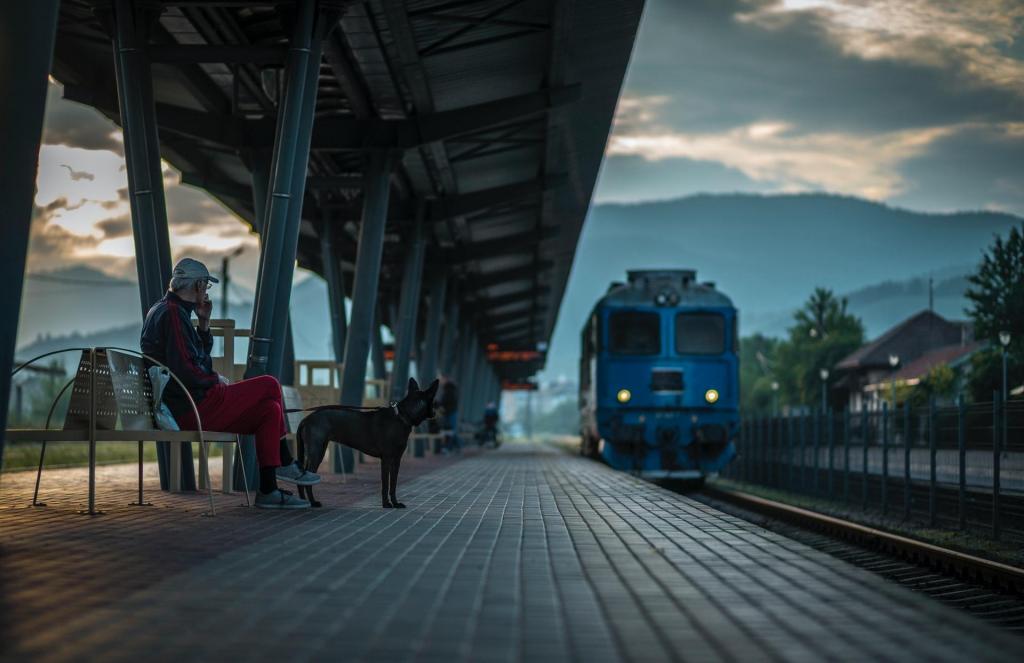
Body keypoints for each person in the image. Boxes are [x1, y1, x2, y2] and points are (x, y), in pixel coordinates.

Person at [140, 257, 319, 510]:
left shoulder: (168, 310)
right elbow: (188, 370)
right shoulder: (171, 314)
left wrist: (203, 323)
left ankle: (268, 490)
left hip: (191, 404)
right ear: (199, 285)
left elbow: (195, 358)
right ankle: (287, 462)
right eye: (206, 286)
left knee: (269, 411)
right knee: (268, 384)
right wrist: (217, 382)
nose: (206, 291)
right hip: (192, 408)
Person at [437, 374, 460, 453]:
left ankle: (453, 447)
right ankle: (454, 447)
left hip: (450, 412)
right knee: (450, 431)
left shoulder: (448, 389)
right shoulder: (451, 389)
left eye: (441, 379)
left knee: (450, 431)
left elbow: (446, 401)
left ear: (445, 379)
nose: (440, 382)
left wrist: (439, 404)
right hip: (450, 412)